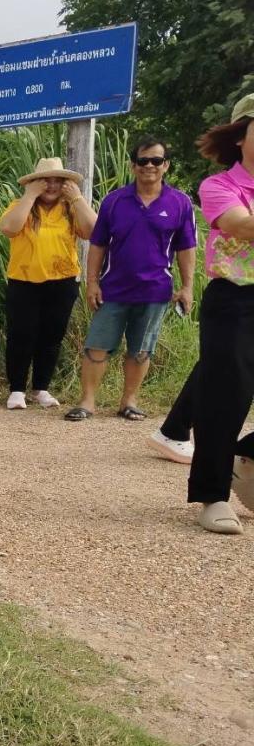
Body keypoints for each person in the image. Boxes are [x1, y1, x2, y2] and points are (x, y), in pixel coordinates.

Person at [154, 94, 254, 534]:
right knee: (225, 397)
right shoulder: (220, 186)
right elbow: (239, 224)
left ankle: (246, 460)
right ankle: (213, 496)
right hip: (235, 301)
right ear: (241, 137)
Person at [64, 138, 197, 421]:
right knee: (97, 345)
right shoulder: (114, 201)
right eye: (143, 160)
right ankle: (87, 402)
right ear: (133, 165)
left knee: (141, 349)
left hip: (155, 290)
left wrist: (187, 287)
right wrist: (92, 282)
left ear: (166, 166)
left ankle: (129, 401)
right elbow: (98, 245)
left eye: (156, 161)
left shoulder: (180, 203)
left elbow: (186, 248)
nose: (149, 166)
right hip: (113, 289)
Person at [0, 157, 97, 410]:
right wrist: (29, 195)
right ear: (35, 183)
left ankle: (41, 387)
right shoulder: (19, 205)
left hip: (62, 281)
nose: (51, 186)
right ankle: (17, 389)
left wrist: (77, 198)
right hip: (23, 280)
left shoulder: (71, 209)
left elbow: (94, 231)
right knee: (21, 335)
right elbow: (9, 228)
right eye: (45, 181)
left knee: (52, 336)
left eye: (57, 181)